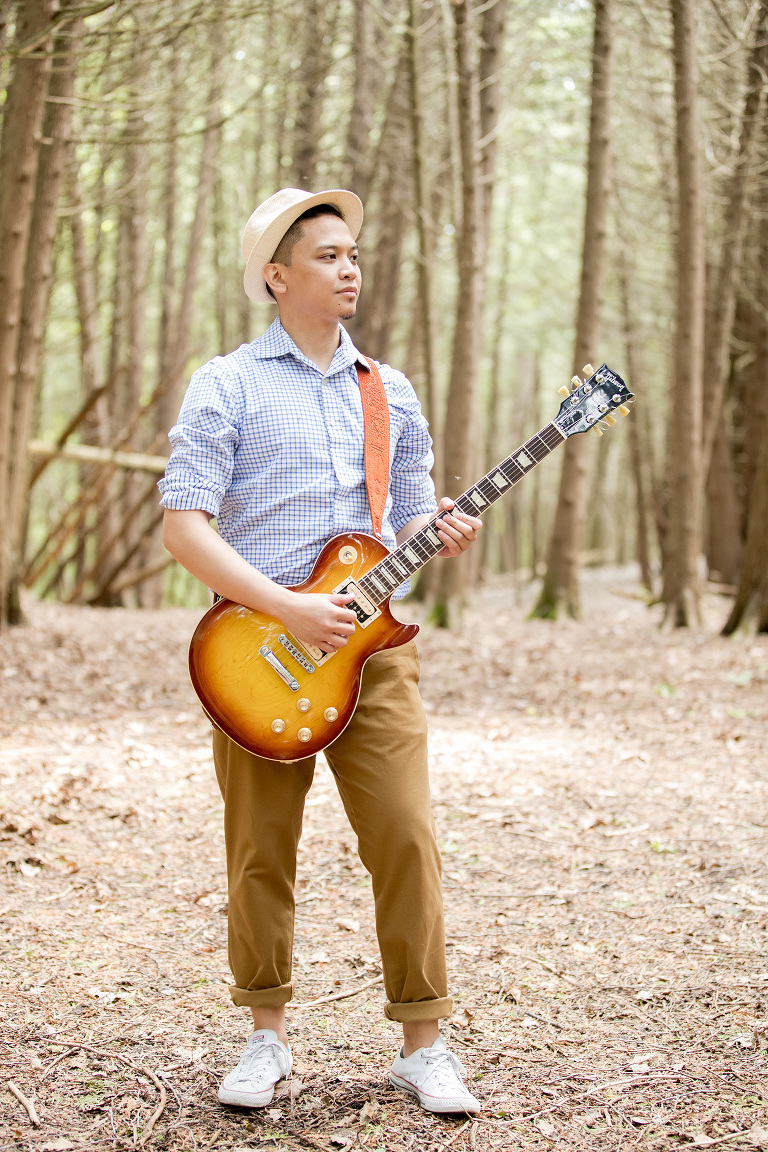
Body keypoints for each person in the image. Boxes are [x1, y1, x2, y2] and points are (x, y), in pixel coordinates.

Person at [158, 187, 483, 1115]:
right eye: (328, 255)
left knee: (407, 837)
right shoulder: (227, 384)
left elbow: (406, 516)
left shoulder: (390, 390)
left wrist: (438, 530)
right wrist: (288, 608)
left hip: (374, 654)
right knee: (261, 849)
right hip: (256, 653)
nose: (350, 269)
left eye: (354, 255)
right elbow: (184, 527)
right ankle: (265, 1037)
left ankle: (423, 1045)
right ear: (277, 276)